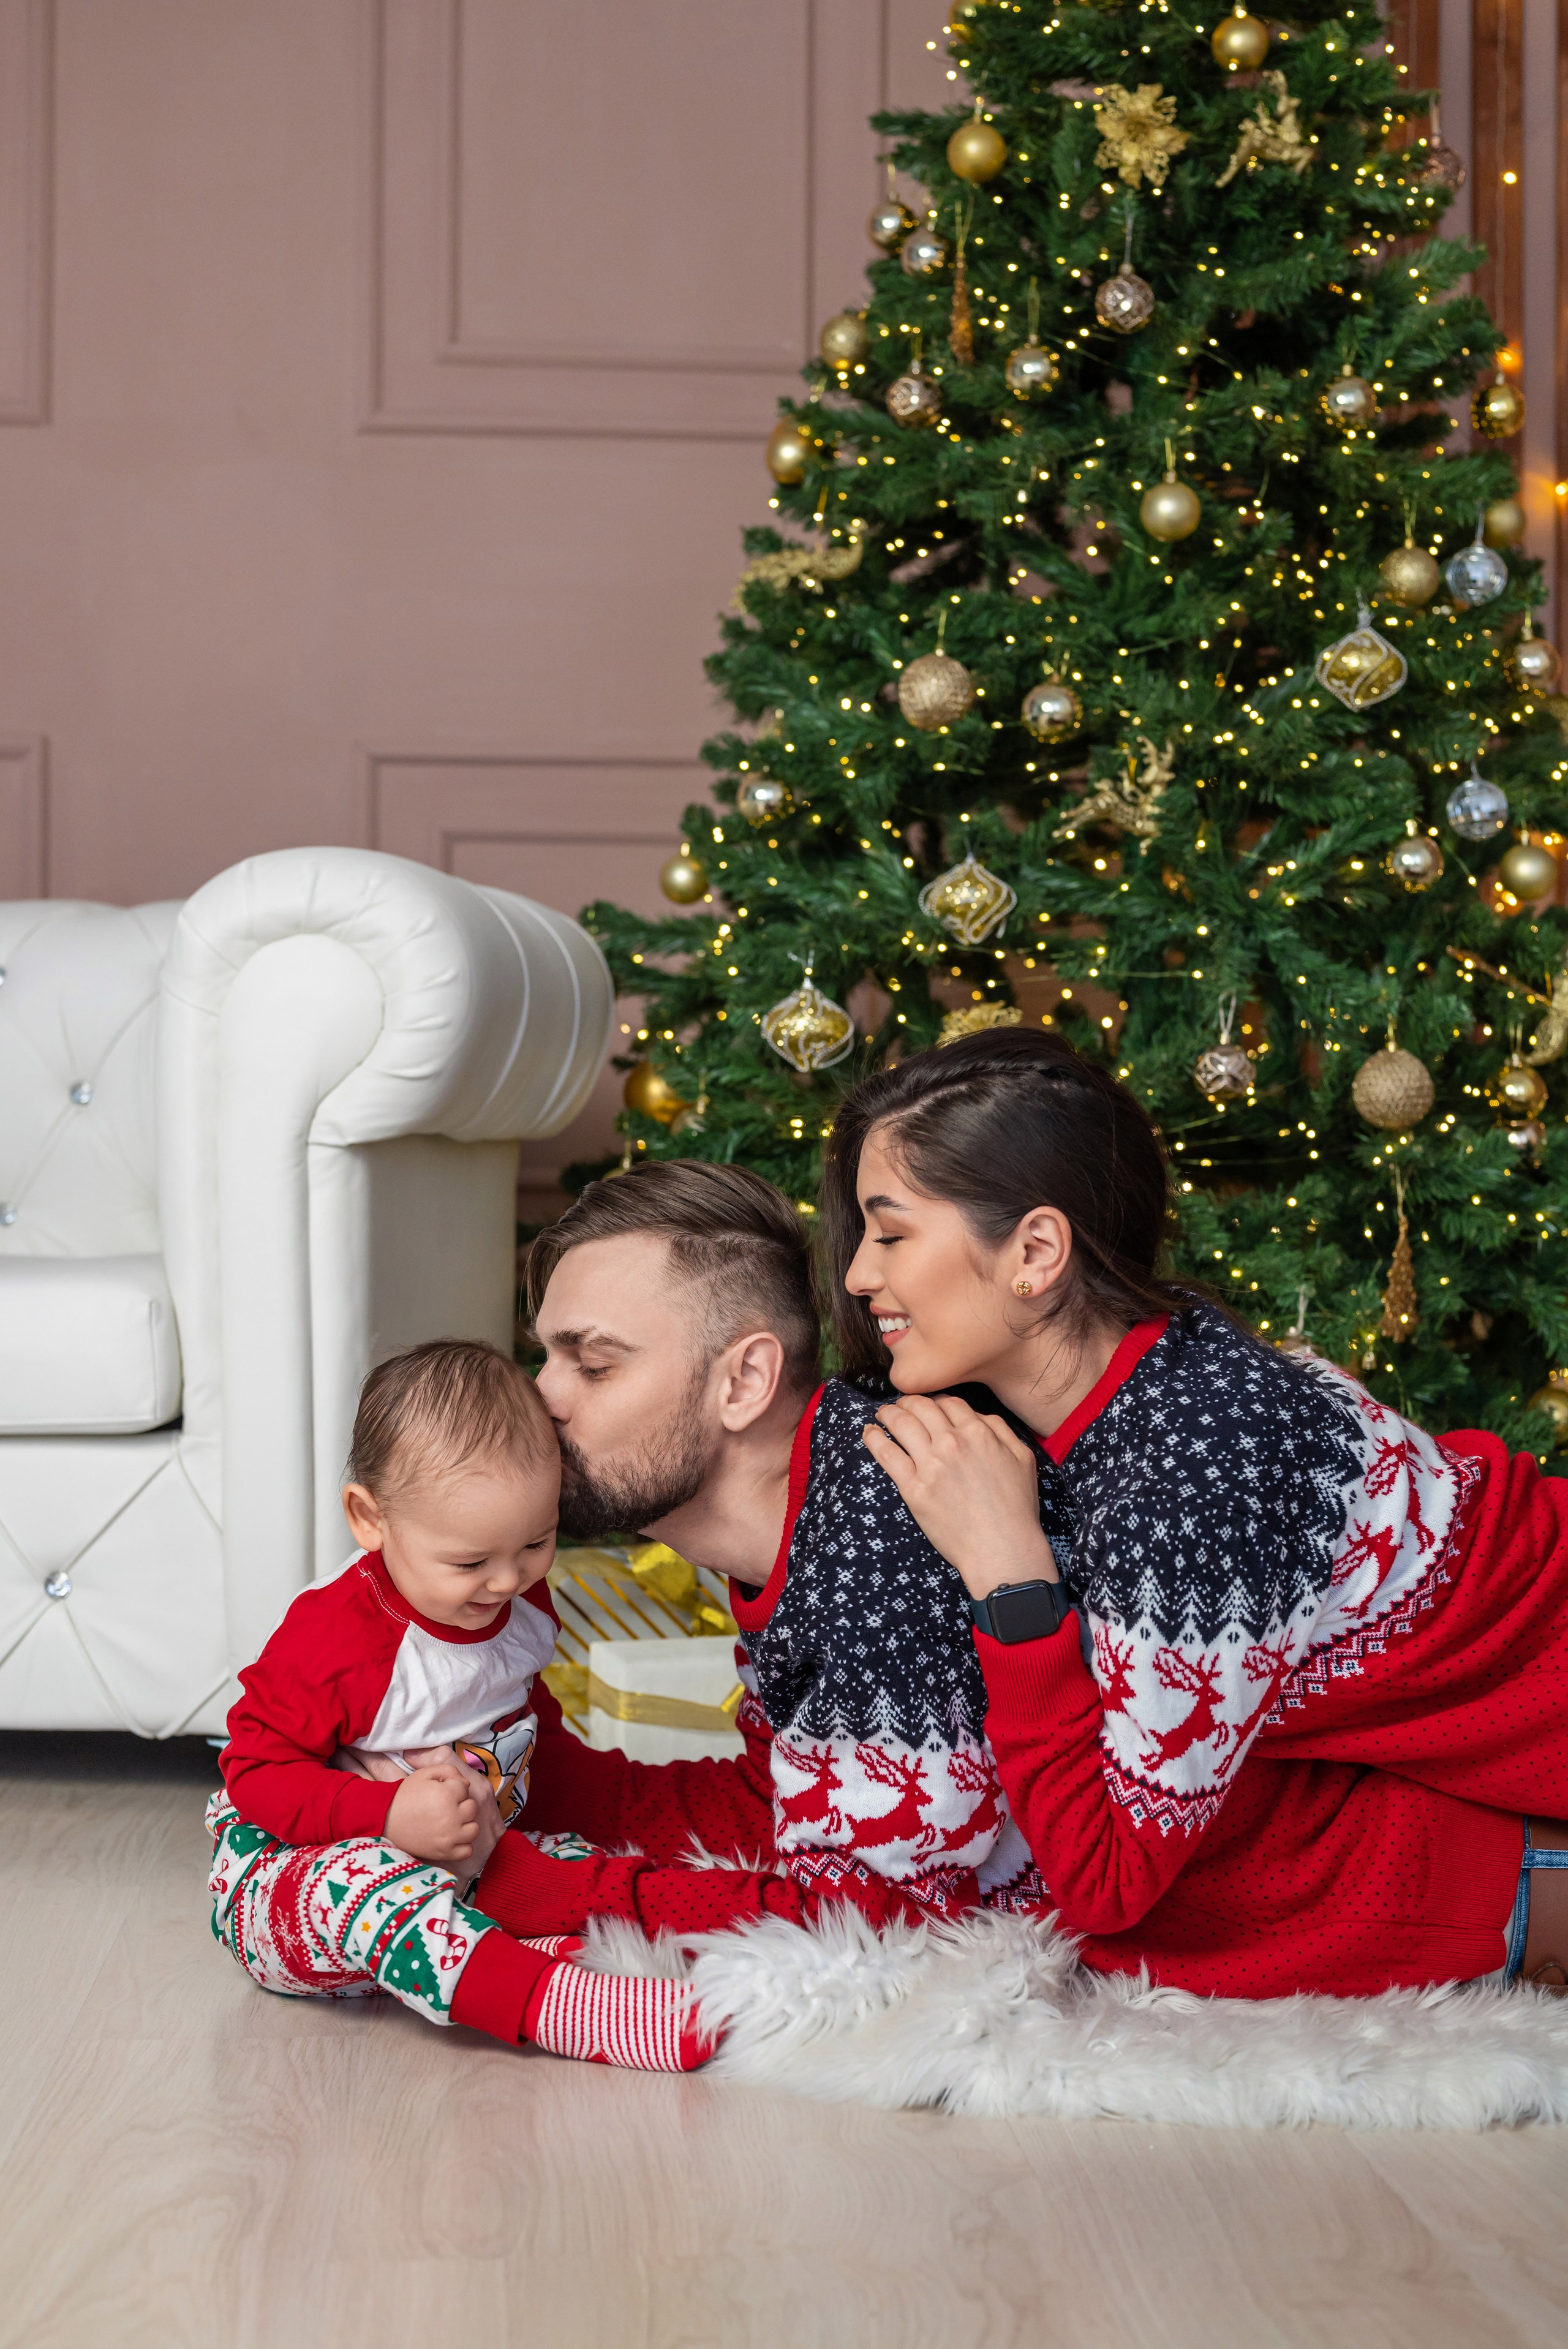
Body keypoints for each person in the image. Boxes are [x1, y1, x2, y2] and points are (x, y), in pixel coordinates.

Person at [818, 1023, 1568, 1997]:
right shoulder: (1134, 1375)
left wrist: (1010, 1579)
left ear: (1036, 1250)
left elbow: (1107, 1880)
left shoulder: (1198, 1466)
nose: (858, 1275)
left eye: (893, 1232)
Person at [476, 1160, 1049, 1942]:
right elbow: (778, 1803)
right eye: (546, 1357)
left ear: (745, 1380)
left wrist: (523, 1886)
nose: (542, 1399)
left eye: (595, 1364)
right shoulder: (815, 1501)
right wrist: (510, 1777)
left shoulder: (877, 1539)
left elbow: (873, 1925)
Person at [209, 1339, 709, 2070]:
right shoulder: (338, 1640)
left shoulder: (515, 1598)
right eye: (470, 1561)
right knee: (372, 1891)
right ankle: (556, 2006)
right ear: (371, 1520)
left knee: (578, 1866)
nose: (508, 1580)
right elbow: (253, 1773)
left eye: (537, 1542)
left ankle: (603, 1965)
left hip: (465, 1859)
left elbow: (526, 1725)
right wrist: (385, 1816)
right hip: (294, 1879)